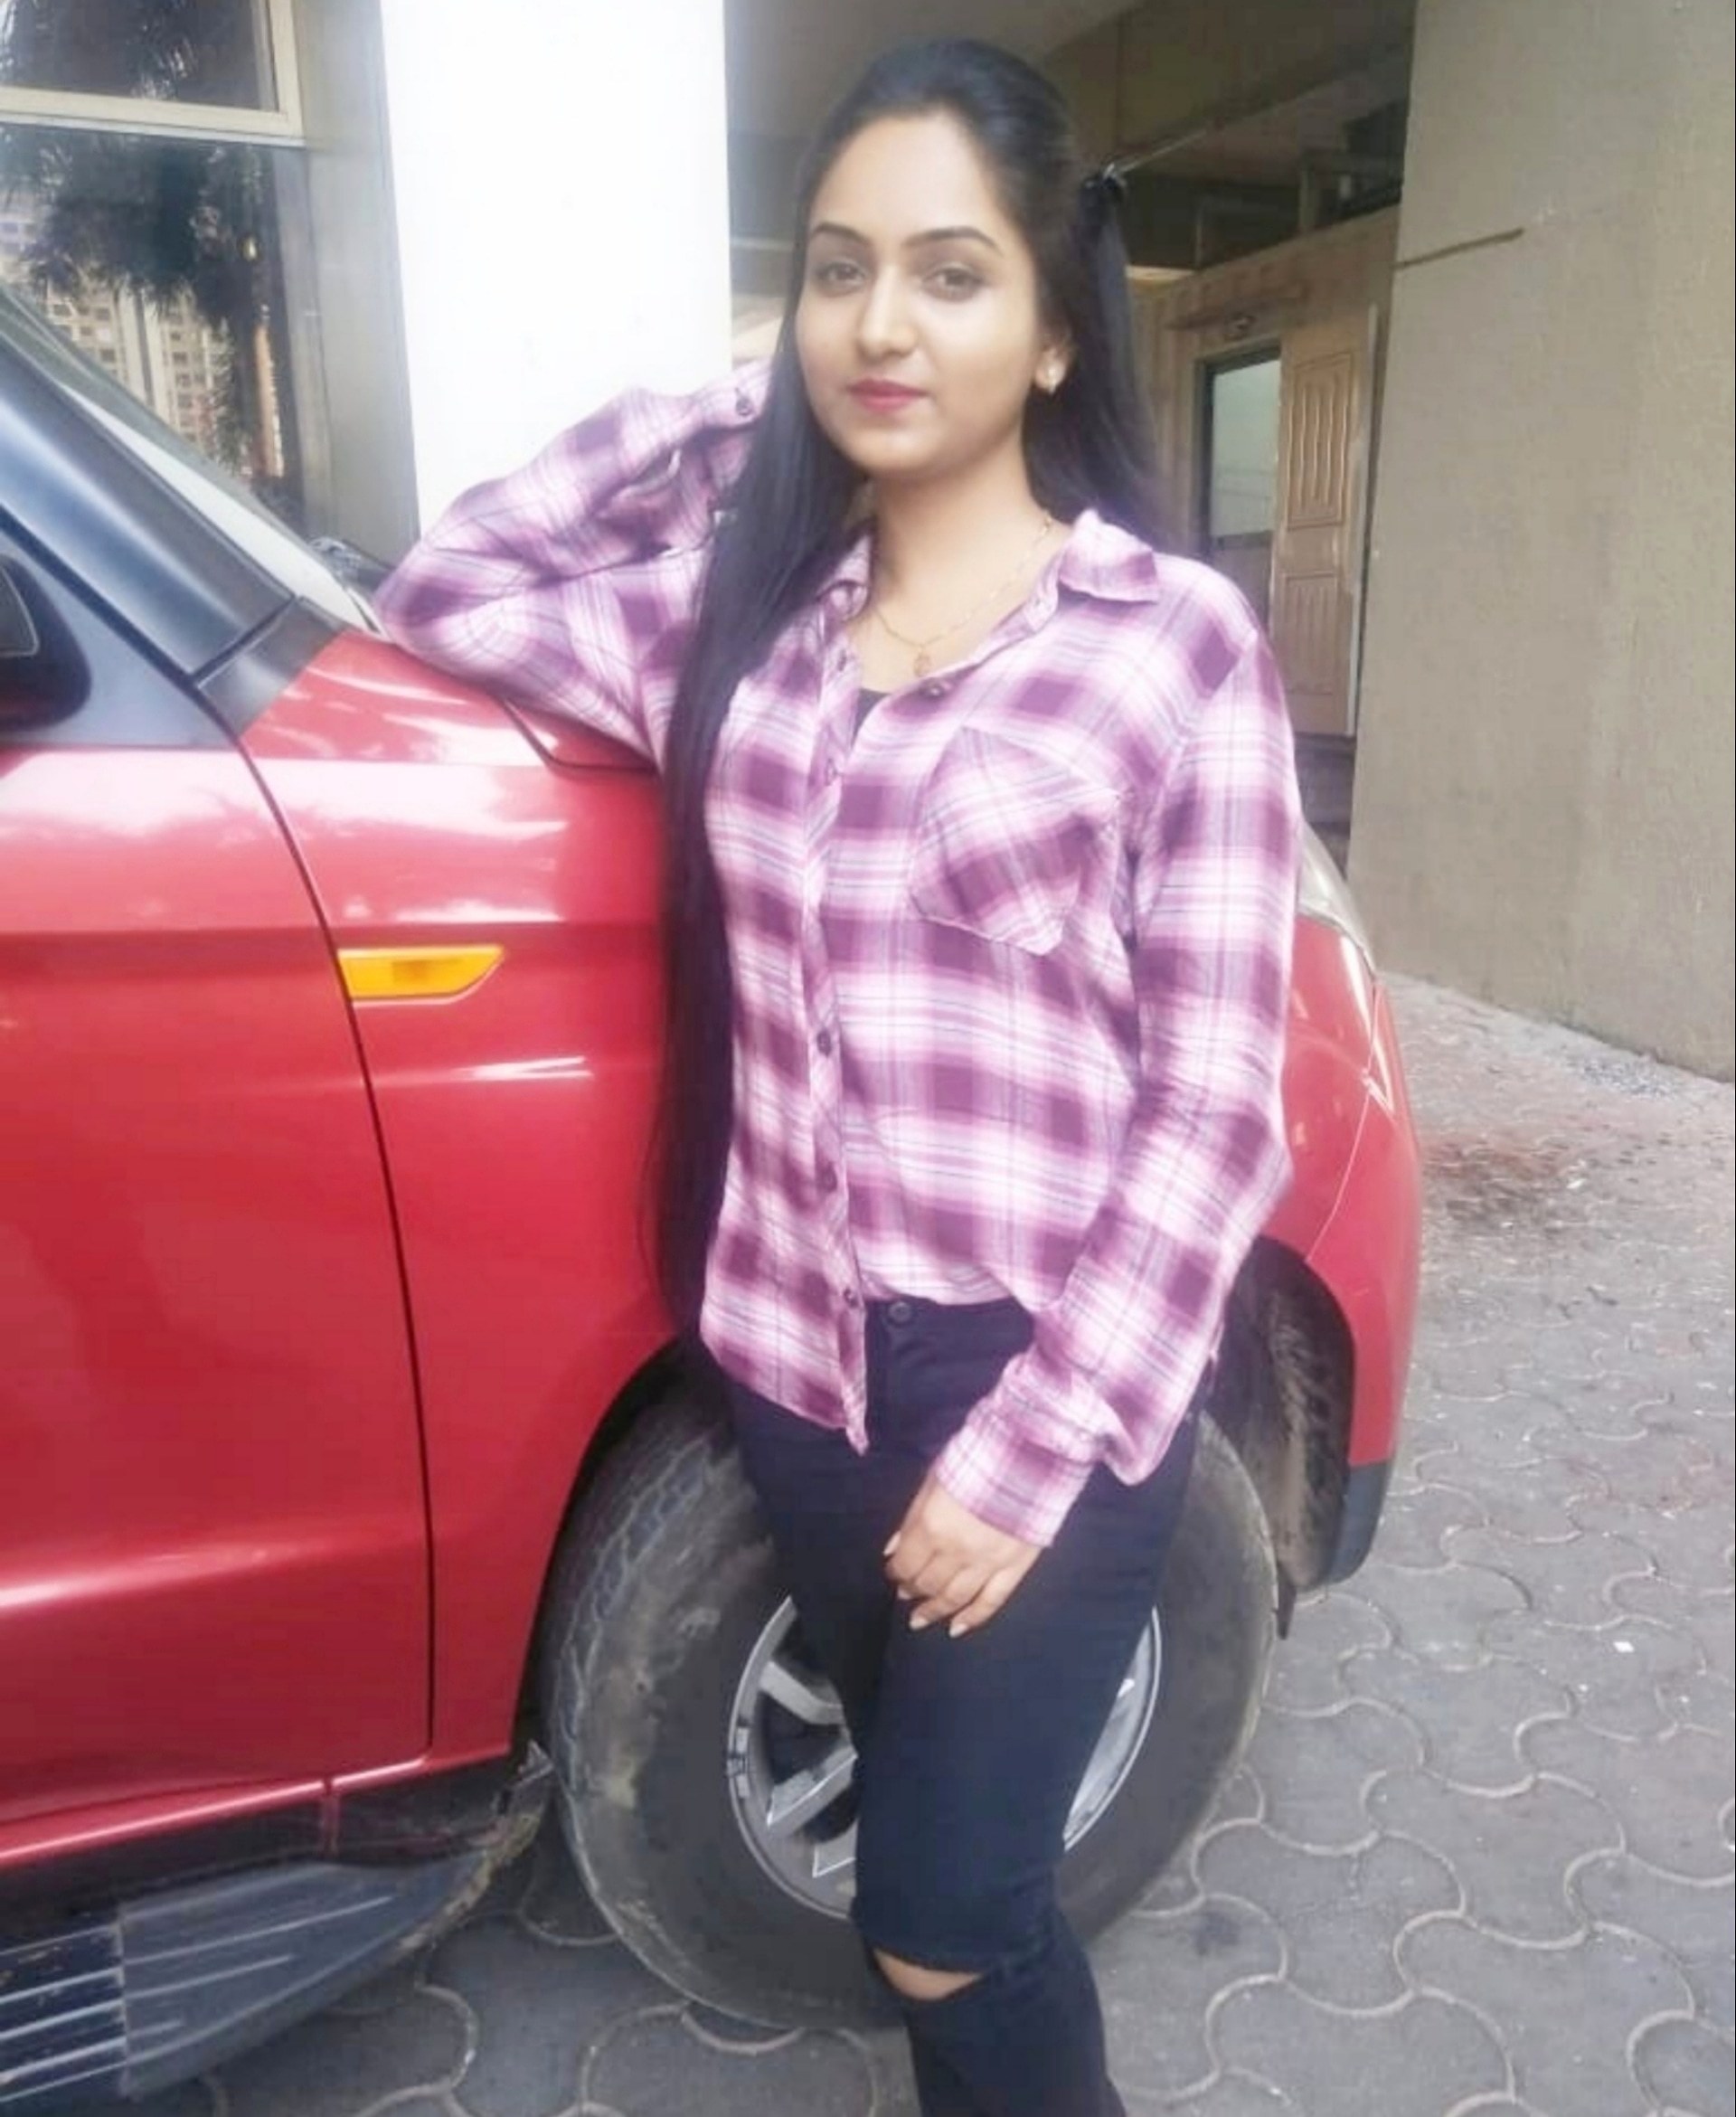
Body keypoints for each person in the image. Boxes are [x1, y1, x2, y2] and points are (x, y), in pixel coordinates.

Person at [377, 37, 1300, 2117]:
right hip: (796, 1361)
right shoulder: (740, 633)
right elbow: (449, 585)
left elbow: (1220, 1098)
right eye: (838, 269)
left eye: (952, 275)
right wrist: (761, 397)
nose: (885, 320)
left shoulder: (1169, 646)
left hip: (1045, 1368)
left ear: (1057, 329)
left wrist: (1028, 1447)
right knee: (938, 1841)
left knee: (942, 1917)